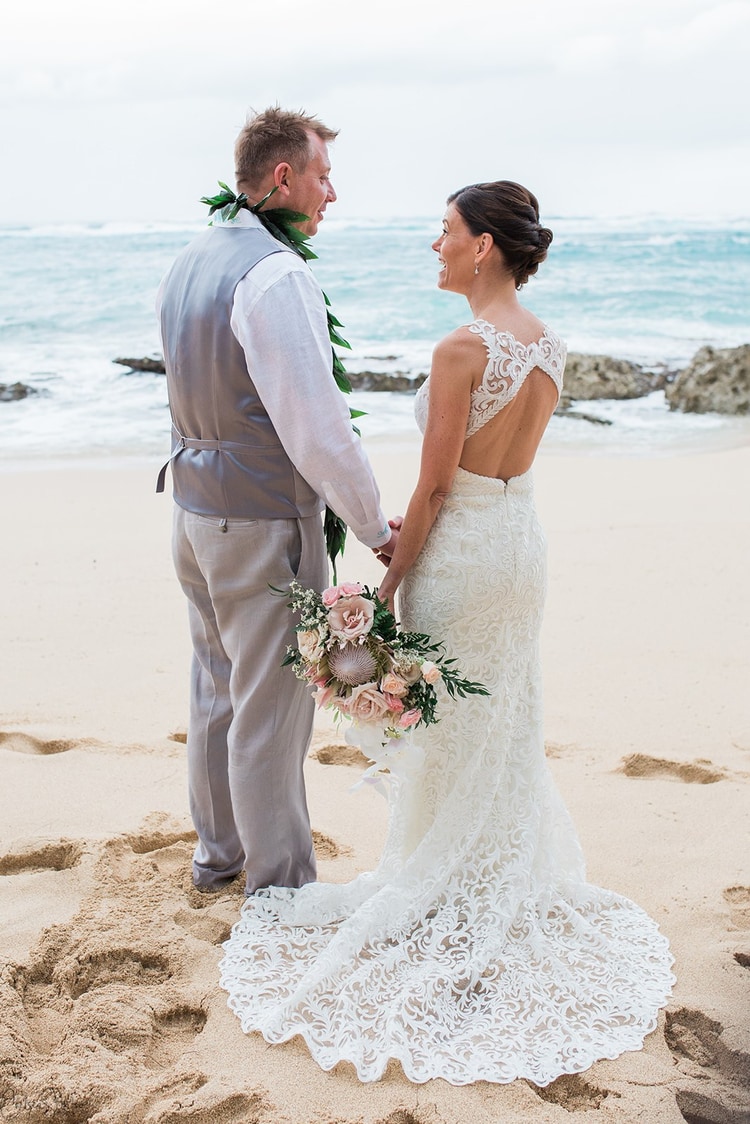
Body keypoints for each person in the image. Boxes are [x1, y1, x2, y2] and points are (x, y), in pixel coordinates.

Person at [219, 181, 674, 1085]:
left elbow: (430, 492)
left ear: (485, 248)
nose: (435, 244)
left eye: (446, 231)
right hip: (521, 545)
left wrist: (387, 583)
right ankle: (490, 881)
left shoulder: (462, 349)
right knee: (500, 719)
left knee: (449, 727)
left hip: (463, 553)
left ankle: (443, 886)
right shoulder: (549, 343)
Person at [157, 107, 395, 896]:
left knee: (216, 691)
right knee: (271, 713)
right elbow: (318, 428)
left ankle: (216, 857)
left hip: (192, 515)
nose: (334, 193)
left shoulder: (191, 259)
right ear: (284, 177)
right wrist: (372, 528)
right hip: (260, 525)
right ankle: (281, 889)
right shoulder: (276, 274)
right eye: (323, 176)